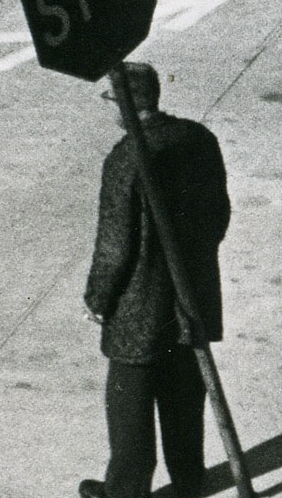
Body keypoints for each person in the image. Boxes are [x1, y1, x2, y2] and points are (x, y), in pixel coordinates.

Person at [80, 63, 231, 498]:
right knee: (185, 394)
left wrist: (98, 299)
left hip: (138, 307)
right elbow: (218, 216)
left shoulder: (126, 159)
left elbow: (115, 245)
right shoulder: (198, 140)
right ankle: (188, 482)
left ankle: (126, 491)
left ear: (124, 103)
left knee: (130, 406)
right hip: (191, 295)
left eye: (109, 99)